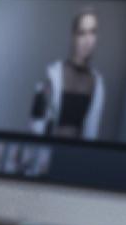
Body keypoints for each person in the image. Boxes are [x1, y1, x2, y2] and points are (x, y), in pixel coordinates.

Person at [30, 7, 105, 140]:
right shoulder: (52, 74)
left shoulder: (97, 83)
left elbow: (91, 132)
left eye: (92, 32)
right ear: (73, 36)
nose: (88, 40)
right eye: (82, 33)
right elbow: (36, 124)